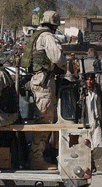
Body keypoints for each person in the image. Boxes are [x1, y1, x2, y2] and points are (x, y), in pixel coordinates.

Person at [21, 10, 67, 170]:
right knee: (45, 119)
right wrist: (64, 66)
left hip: (39, 80)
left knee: (44, 118)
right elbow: (57, 57)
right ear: (54, 25)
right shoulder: (47, 36)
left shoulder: (35, 34)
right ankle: (36, 158)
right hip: (44, 82)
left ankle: (39, 154)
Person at [81, 73, 102, 173]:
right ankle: (90, 163)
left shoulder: (98, 92)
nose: (89, 82)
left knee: (99, 145)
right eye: (88, 80)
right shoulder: (82, 92)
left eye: (91, 79)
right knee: (87, 145)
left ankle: (91, 159)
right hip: (85, 122)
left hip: (96, 121)